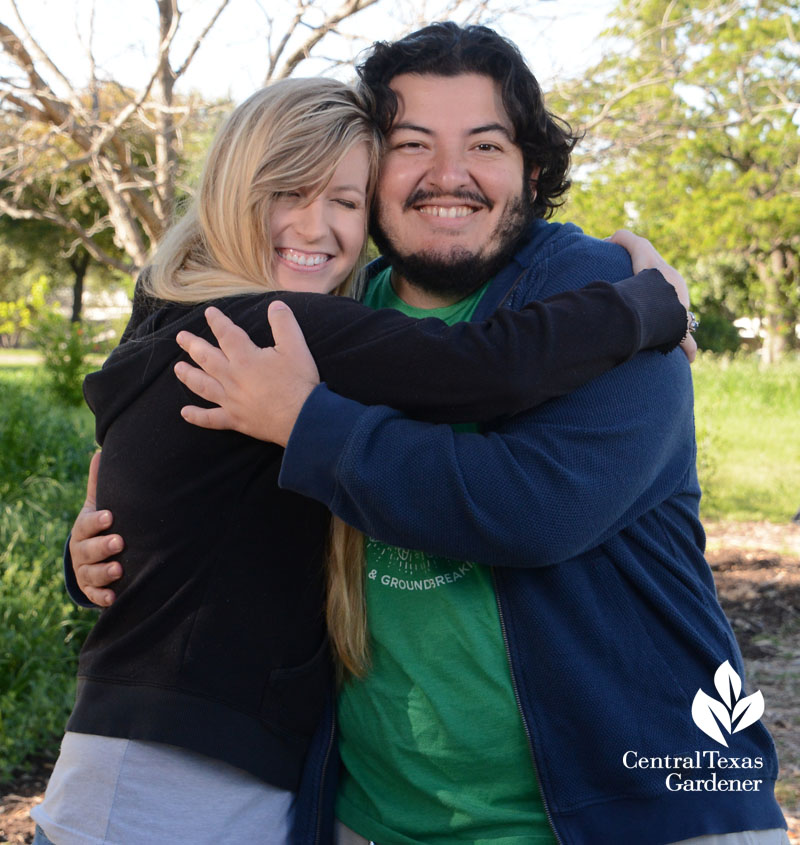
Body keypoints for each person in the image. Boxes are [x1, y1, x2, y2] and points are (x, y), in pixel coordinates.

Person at [159, 23, 789, 845]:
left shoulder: (607, 305)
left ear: (532, 169)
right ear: (369, 167)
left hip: (636, 815)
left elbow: (529, 508)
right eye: (412, 144)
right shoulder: (327, 318)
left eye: (484, 145)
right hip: (379, 822)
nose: (448, 176)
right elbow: (214, 499)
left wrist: (308, 423)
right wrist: (101, 549)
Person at [38, 76, 690, 845]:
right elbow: (486, 369)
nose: (316, 226)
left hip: (168, 766)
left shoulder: (169, 317)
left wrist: (84, 563)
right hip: (169, 787)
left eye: (346, 200)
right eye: (288, 192)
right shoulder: (267, 326)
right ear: (230, 192)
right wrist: (647, 301)